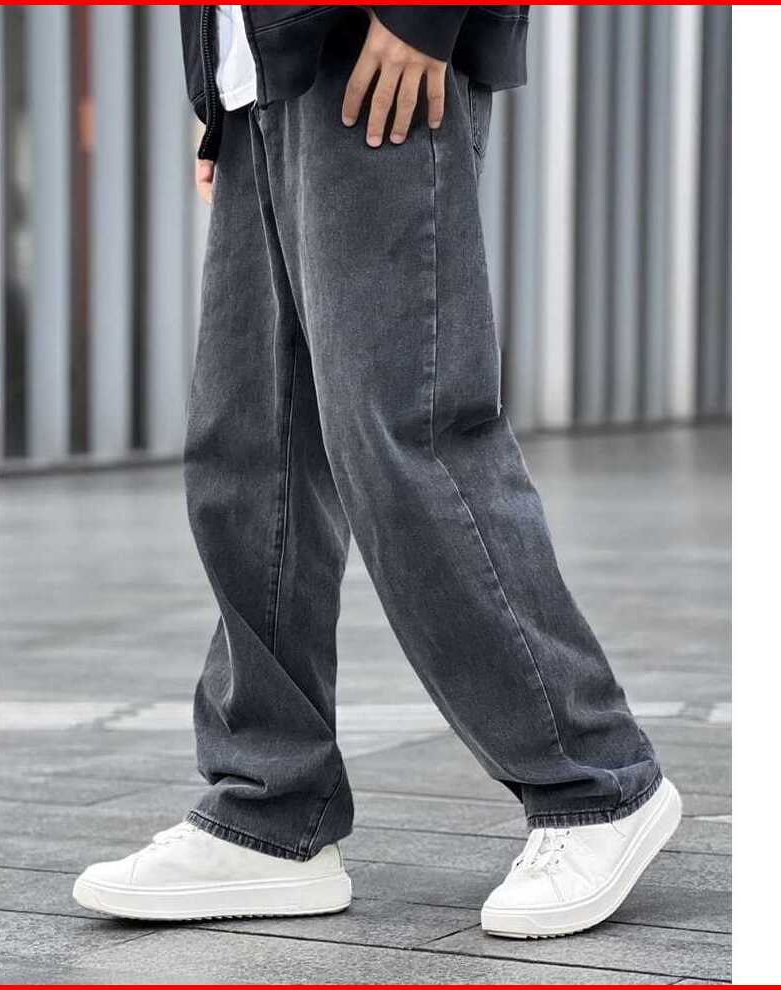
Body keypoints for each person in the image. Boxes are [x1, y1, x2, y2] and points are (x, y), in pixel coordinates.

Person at [74, 5, 680, 939]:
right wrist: (219, 84)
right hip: (261, 72)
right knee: (247, 453)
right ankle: (270, 807)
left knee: (407, 433)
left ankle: (594, 782)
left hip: (371, 52)